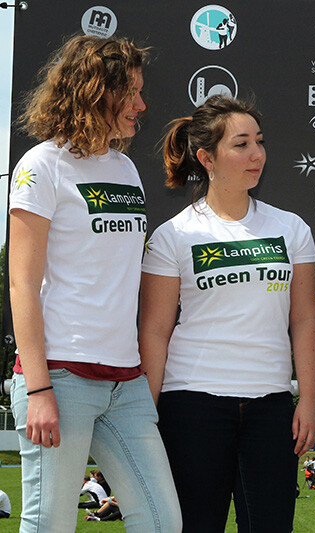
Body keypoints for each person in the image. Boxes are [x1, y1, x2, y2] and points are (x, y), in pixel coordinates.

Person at [8, 34, 181, 532]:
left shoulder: (125, 168)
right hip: (60, 378)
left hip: (125, 384)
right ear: (94, 92)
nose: (141, 105)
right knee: (49, 524)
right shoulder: (41, 165)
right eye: (130, 93)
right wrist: (39, 387)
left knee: (163, 522)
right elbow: (22, 284)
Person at [139, 94, 315, 532]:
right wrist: (145, 414)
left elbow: (304, 321)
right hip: (191, 406)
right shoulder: (173, 235)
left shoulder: (291, 228)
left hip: (271, 407)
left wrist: (310, 400)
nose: (256, 154)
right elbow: (155, 330)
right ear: (206, 158)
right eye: (241, 144)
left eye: (259, 141)